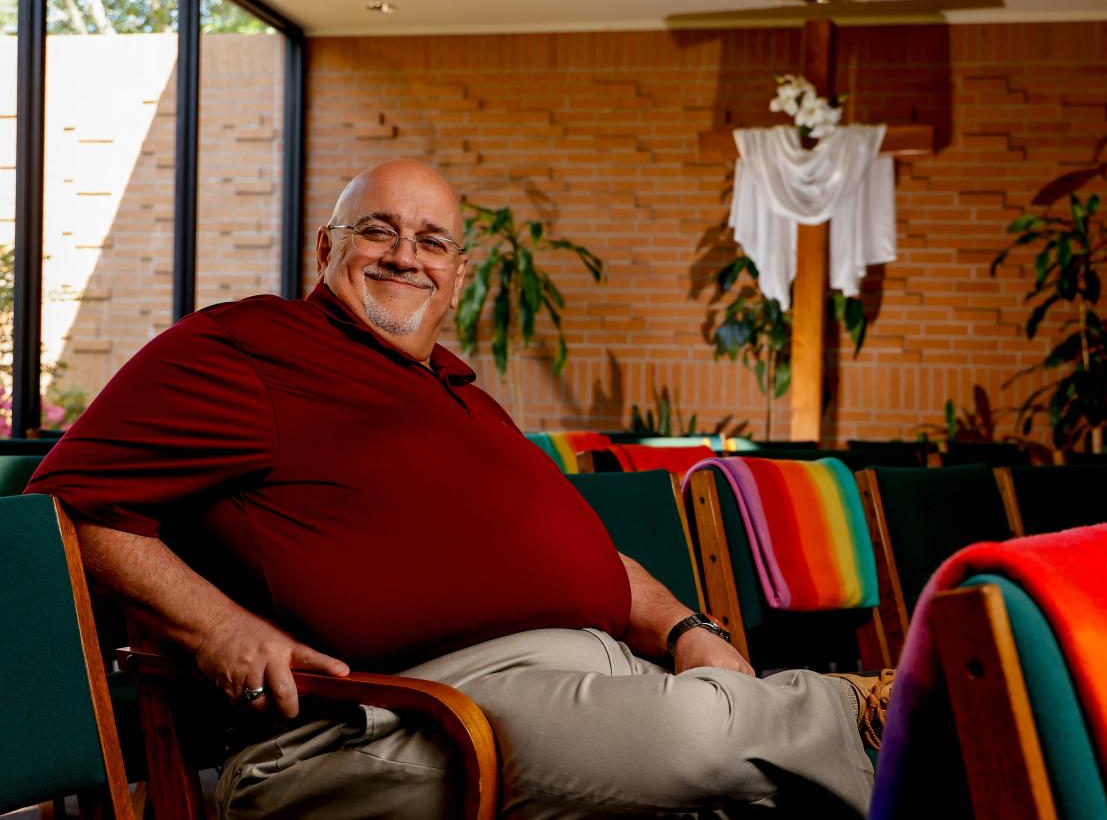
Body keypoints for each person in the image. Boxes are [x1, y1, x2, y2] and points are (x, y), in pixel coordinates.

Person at [28, 160, 886, 818]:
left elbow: (585, 554)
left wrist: (688, 627)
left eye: (432, 241)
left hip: (584, 676)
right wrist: (216, 627)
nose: (406, 255)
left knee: (732, 753)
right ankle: (884, 716)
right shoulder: (247, 349)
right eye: (378, 231)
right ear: (326, 249)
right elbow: (67, 502)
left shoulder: (461, 391)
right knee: (705, 735)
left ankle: (881, 729)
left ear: (459, 276)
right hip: (382, 722)